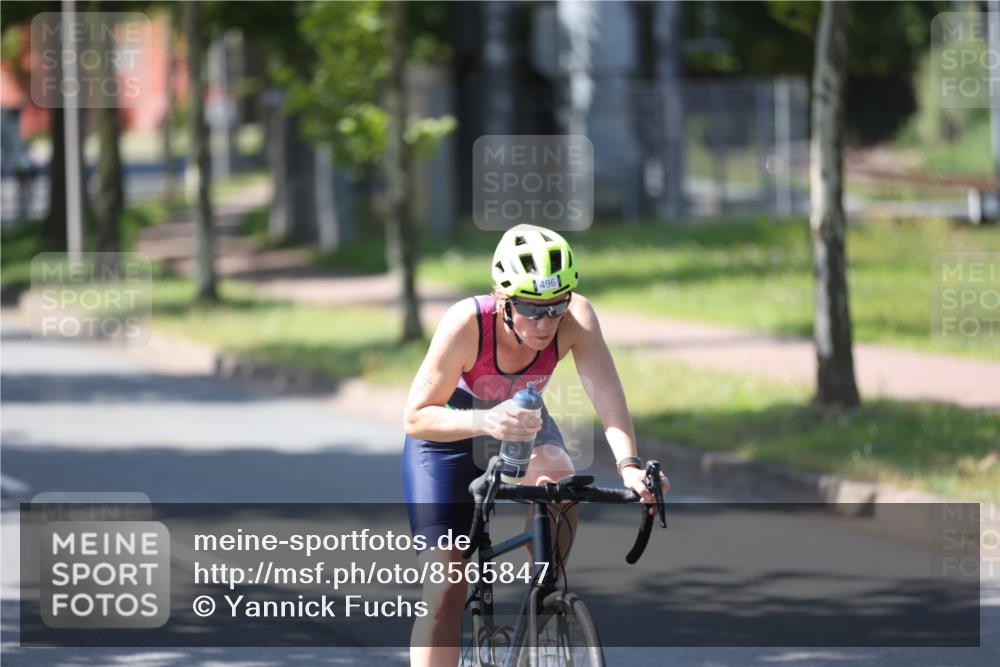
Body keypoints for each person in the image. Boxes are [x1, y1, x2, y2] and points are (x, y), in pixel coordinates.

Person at [401, 224, 670, 667]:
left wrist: (629, 466)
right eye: (531, 309)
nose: (546, 323)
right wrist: (486, 419)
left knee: (560, 481)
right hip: (449, 435)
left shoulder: (576, 318)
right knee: (446, 587)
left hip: (523, 422)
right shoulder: (467, 323)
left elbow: (607, 394)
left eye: (556, 306)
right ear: (503, 300)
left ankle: (544, 601)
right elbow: (415, 417)